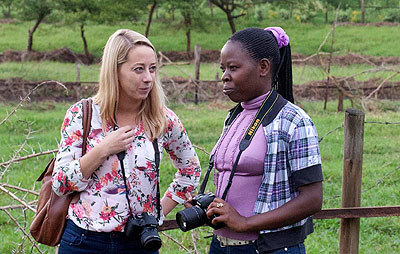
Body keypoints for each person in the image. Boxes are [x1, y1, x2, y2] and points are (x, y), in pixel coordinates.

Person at [52, 29, 201, 254]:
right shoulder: (82, 115)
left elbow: (190, 171)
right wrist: (102, 150)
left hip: (140, 242)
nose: (148, 78)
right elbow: (60, 183)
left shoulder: (163, 119)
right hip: (83, 241)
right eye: (138, 69)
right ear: (115, 71)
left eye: (152, 69)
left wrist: (160, 212)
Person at [205, 27, 323, 254]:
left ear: (263, 67)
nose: (224, 76)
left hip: (268, 248)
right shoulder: (234, 116)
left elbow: (313, 199)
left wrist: (246, 223)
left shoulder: (294, 121)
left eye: (233, 68)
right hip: (221, 245)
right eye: (222, 68)